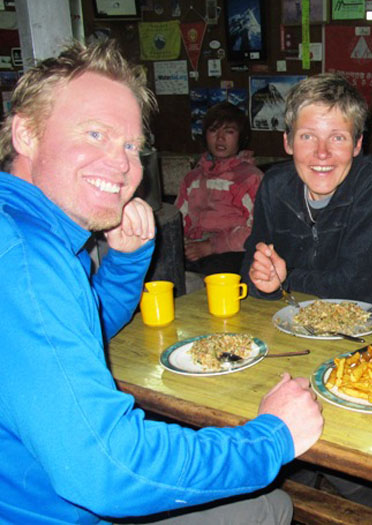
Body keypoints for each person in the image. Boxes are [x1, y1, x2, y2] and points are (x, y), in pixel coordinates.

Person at [0, 40, 323, 523]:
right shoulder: (24, 260)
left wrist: (126, 262)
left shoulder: (28, 238)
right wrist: (272, 435)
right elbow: (109, 469)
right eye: (95, 133)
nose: (123, 164)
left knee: (267, 502)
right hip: (52, 508)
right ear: (26, 133)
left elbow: (79, 334)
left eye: (131, 146)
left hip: (34, 484)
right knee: (269, 508)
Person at [241, 73, 372, 309]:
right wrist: (265, 282)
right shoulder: (274, 186)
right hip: (290, 319)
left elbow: (356, 291)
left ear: (357, 145)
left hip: (370, 329)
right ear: (288, 143)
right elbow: (250, 269)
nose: (322, 152)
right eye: (307, 136)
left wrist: (285, 279)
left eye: (338, 138)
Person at [175, 102, 263, 275]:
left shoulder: (251, 178)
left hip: (232, 252)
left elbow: (258, 229)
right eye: (214, 130)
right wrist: (181, 243)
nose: (220, 138)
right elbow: (179, 219)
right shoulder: (192, 178)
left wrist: (212, 246)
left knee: (215, 271)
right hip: (194, 249)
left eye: (229, 132)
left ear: (241, 138)